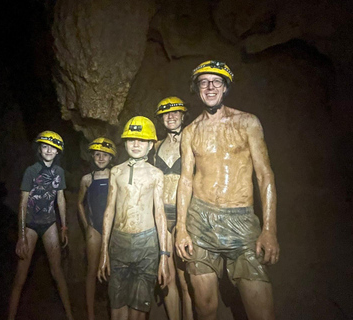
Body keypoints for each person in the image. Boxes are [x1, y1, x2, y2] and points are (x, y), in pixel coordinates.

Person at [175, 60, 280, 320]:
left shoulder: (247, 123)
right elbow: (186, 179)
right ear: (197, 88)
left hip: (241, 220)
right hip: (201, 220)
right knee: (206, 308)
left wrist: (269, 229)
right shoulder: (190, 131)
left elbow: (264, 175)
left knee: (261, 312)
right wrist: (181, 227)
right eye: (204, 82)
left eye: (216, 82)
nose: (210, 87)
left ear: (225, 87)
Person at [98, 116, 170, 320]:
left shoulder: (156, 174)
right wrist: (104, 252)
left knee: (138, 309)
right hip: (118, 243)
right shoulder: (116, 171)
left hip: (147, 244)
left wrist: (164, 256)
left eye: (142, 140)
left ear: (150, 145)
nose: (136, 144)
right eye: (131, 139)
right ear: (125, 142)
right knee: (117, 306)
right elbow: (109, 210)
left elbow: (159, 214)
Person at [8, 131, 74, 320]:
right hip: (30, 225)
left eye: (52, 147)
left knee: (58, 272)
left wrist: (64, 227)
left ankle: (70, 315)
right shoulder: (31, 171)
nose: (48, 150)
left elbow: (60, 198)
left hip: (50, 223)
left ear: (57, 151)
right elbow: (22, 203)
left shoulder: (59, 172)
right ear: (40, 149)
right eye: (45, 146)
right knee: (20, 277)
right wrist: (21, 236)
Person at [154, 97, 193, 320]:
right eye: (166, 113)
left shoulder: (190, 141)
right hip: (161, 215)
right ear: (160, 118)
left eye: (175, 112)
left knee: (185, 280)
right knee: (167, 279)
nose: (171, 116)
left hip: (183, 216)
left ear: (183, 115)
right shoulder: (156, 146)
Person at [78, 137, 117, 320]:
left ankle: (114, 312)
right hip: (94, 228)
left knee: (114, 271)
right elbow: (79, 203)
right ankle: (91, 315)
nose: (101, 158)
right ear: (92, 156)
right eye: (97, 155)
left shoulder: (115, 175)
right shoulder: (87, 179)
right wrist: (86, 225)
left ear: (111, 157)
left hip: (113, 229)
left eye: (105, 155)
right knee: (92, 271)